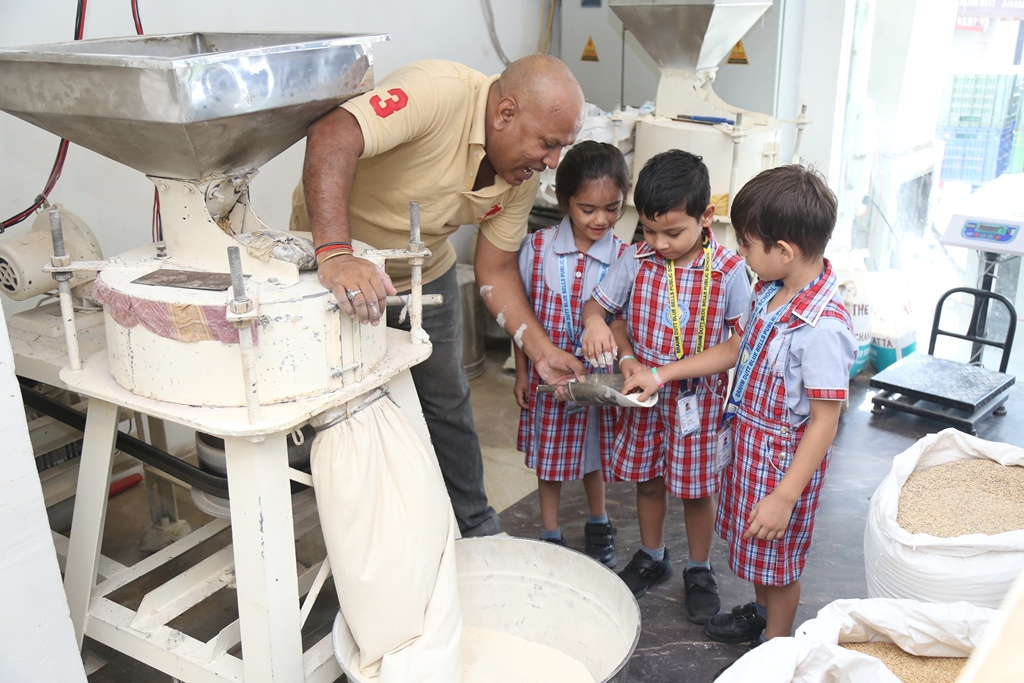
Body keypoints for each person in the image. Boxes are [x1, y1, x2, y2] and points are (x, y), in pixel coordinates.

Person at [291, 55, 587, 537]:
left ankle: (476, 527)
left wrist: (542, 352)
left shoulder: (521, 176)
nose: (552, 162)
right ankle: (344, 536)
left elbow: (495, 269)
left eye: (561, 148)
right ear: (505, 113)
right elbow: (333, 131)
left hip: (423, 271)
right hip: (332, 266)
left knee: (447, 401)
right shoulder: (437, 92)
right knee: (336, 411)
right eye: (547, 143)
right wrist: (336, 252)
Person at [621, 165, 857, 656]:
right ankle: (761, 613)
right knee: (758, 550)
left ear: (784, 251)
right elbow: (734, 347)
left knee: (779, 564)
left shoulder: (823, 328)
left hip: (784, 467)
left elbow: (825, 421)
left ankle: (775, 650)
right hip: (751, 448)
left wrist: (785, 497)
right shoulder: (769, 289)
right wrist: (661, 374)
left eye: (747, 245)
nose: (741, 254)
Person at [580, 150, 750, 624]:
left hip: (697, 402)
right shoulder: (636, 260)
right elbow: (599, 310)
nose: (659, 243)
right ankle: (652, 556)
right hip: (643, 398)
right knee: (648, 481)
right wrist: (616, 346)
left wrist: (665, 372)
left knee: (696, 490)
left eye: (672, 232)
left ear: (706, 217)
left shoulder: (729, 271)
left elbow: (739, 346)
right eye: (649, 230)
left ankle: (699, 568)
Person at [513, 141, 631, 567]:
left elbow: (624, 320)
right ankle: (550, 533)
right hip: (548, 382)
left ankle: (599, 521)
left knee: (594, 455)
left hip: (599, 380)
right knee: (550, 459)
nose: (601, 220)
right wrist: (522, 372)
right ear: (564, 202)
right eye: (587, 209)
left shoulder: (625, 257)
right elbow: (520, 317)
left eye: (612, 208)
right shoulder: (536, 249)